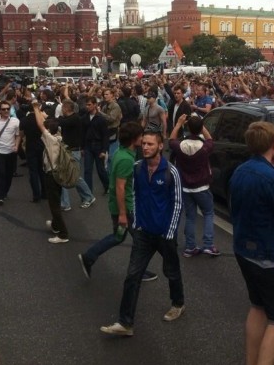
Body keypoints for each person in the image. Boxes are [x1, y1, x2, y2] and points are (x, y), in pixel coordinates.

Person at [229, 121, 274, 365]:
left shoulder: (240, 171)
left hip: (242, 249)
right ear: (273, 144)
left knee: (257, 307)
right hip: (268, 254)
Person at [100, 130, 184, 336]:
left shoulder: (170, 172)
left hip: (165, 234)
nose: (145, 147)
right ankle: (125, 323)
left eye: (150, 144)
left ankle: (178, 303)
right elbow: (134, 195)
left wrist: (170, 231)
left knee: (171, 271)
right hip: (144, 233)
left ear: (160, 146)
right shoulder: (137, 168)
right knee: (132, 276)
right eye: (144, 143)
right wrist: (136, 222)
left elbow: (178, 203)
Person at [78, 122, 157, 281]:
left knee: (119, 237)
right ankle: (136, 271)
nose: (143, 140)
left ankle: (89, 256)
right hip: (126, 208)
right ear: (134, 139)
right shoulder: (125, 160)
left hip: (124, 205)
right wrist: (122, 214)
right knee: (141, 240)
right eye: (141, 137)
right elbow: (120, 187)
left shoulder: (123, 153)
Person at [169, 114, 220, 257]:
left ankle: (190, 246)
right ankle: (208, 244)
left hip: (186, 186)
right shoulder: (204, 147)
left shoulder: (180, 145)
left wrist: (179, 124)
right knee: (208, 213)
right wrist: (201, 125)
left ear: (188, 128)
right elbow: (210, 138)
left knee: (190, 217)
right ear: (200, 129)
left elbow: (171, 140)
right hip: (202, 186)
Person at [32, 101, 69, 243]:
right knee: (56, 200)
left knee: (54, 205)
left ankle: (63, 234)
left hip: (51, 175)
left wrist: (35, 108)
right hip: (58, 173)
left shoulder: (50, 140)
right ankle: (55, 225)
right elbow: (44, 123)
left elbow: (40, 124)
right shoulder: (58, 136)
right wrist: (41, 112)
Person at [57, 98, 95, 210]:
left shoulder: (74, 119)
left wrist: (58, 116)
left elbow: (62, 122)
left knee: (75, 177)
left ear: (66, 108)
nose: (61, 110)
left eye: (62, 107)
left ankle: (88, 197)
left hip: (73, 151)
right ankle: (65, 203)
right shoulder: (71, 118)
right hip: (68, 150)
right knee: (63, 176)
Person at [81, 96, 109, 194]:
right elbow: (83, 134)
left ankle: (107, 186)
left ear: (95, 105)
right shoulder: (85, 118)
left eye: (89, 105)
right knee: (87, 170)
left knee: (100, 170)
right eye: (86, 104)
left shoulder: (101, 119)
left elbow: (105, 136)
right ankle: (89, 192)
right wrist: (82, 148)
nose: (87, 106)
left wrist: (104, 150)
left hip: (98, 146)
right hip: (88, 146)